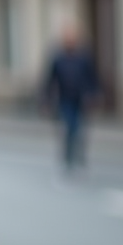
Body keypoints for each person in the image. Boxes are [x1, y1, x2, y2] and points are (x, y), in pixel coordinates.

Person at [43, 25, 99, 172]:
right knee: (69, 128)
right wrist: (46, 99)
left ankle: (80, 159)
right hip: (65, 99)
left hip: (80, 99)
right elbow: (49, 79)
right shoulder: (58, 58)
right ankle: (68, 160)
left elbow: (92, 77)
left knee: (80, 130)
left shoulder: (83, 57)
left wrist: (93, 93)